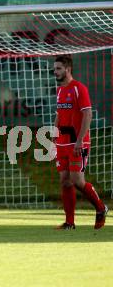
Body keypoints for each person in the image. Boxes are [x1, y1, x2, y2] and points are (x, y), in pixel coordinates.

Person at [53, 55, 108, 230]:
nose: (55, 72)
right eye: (55, 69)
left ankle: (101, 208)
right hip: (62, 142)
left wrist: (79, 141)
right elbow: (59, 114)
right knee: (64, 180)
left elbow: (88, 114)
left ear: (68, 69)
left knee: (77, 180)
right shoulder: (60, 90)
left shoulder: (79, 88)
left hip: (78, 143)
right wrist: (55, 132)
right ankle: (70, 222)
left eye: (58, 68)